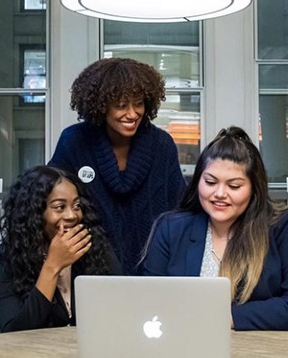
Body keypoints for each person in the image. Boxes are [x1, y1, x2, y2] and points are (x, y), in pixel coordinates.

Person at [142, 127, 288, 331]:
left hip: (268, 354)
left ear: (254, 189)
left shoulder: (284, 227)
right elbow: (150, 300)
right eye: (210, 182)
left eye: (234, 186)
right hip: (185, 349)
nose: (219, 193)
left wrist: (223, 317)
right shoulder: (171, 229)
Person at [49, 57, 186, 275]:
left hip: (154, 268)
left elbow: (179, 208)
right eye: (121, 105)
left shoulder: (161, 145)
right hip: (88, 268)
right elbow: (48, 199)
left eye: (138, 103)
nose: (132, 114)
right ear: (101, 106)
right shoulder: (74, 141)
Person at [0, 166, 120, 332]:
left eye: (77, 206)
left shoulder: (94, 248)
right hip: (33, 354)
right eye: (59, 207)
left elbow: (120, 306)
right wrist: (52, 266)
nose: (72, 215)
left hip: (90, 351)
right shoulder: (7, 257)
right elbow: (15, 332)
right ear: (34, 212)